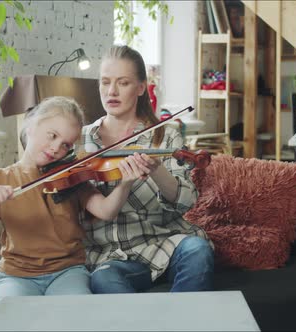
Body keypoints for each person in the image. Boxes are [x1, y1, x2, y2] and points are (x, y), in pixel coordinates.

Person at [0, 96, 146, 306]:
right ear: (30, 126)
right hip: (17, 275)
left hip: (67, 272)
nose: (56, 147)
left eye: (66, 144)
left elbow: (106, 211)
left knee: (77, 317)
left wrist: (125, 183)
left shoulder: (71, 177)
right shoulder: (1, 178)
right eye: (52, 135)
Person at [78, 45, 215, 293]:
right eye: (105, 82)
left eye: (123, 83)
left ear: (141, 88)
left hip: (161, 242)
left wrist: (158, 171)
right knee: (104, 281)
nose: (111, 91)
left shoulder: (165, 136)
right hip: (110, 256)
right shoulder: (81, 140)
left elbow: (187, 203)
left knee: (198, 250)